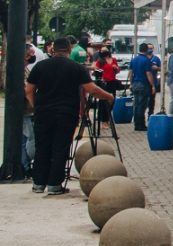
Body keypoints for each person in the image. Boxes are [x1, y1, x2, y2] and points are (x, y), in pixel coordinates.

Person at [26, 37, 115, 194]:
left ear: (53, 50)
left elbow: (29, 90)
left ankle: (38, 183)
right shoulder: (76, 67)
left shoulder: (40, 66)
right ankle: (54, 185)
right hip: (66, 114)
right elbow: (91, 89)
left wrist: (36, 106)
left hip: (43, 113)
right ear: (69, 50)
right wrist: (108, 96)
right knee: (60, 147)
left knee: (42, 147)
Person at [21, 42, 47, 174]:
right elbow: (27, 90)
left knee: (25, 139)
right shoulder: (20, 70)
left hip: (28, 110)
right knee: (30, 138)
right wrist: (34, 105)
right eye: (30, 54)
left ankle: (24, 165)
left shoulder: (26, 69)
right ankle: (24, 166)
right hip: (26, 110)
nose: (33, 55)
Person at [129, 43, 155, 132]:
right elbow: (148, 74)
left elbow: (130, 72)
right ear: (147, 50)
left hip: (135, 83)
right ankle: (141, 125)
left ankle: (136, 124)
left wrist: (131, 83)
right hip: (143, 84)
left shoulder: (134, 59)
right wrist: (152, 85)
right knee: (142, 105)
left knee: (136, 105)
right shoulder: (146, 60)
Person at [92, 49, 121, 128]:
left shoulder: (113, 60)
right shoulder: (100, 61)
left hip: (112, 82)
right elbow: (95, 69)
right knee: (103, 101)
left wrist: (115, 68)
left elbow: (118, 70)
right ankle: (103, 120)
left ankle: (107, 118)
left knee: (112, 100)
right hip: (104, 83)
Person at [147, 44, 162, 113]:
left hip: (154, 82)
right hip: (145, 82)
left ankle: (150, 114)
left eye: (151, 48)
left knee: (152, 100)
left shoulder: (156, 59)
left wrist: (157, 68)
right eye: (148, 48)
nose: (150, 49)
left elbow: (162, 69)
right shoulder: (144, 58)